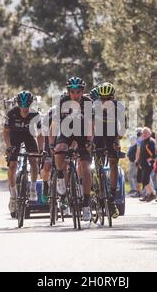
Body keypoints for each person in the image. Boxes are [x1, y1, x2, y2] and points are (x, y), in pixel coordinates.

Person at [54, 77, 93, 222]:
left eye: (78, 92)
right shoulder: (63, 102)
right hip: (66, 132)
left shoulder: (88, 102)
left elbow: (91, 124)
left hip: (83, 134)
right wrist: (53, 143)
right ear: (68, 92)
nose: (75, 95)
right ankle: (60, 179)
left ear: (82, 91)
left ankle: (86, 204)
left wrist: (89, 141)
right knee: (60, 149)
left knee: (85, 167)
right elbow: (56, 124)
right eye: (73, 92)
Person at [3, 91, 43, 217]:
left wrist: (41, 150)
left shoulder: (35, 114)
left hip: (29, 136)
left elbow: (40, 134)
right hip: (14, 137)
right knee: (13, 165)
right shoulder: (11, 113)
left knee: (34, 161)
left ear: (31, 104)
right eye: (22, 106)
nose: (24, 109)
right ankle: (13, 194)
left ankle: (32, 187)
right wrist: (9, 147)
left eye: (27, 106)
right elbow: (6, 132)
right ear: (18, 104)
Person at [92, 82, 126, 218]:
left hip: (112, 134)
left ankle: (111, 197)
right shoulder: (93, 106)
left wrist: (118, 140)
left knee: (113, 162)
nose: (105, 101)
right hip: (98, 134)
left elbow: (123, 125)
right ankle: (95, 187)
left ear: (113, 97)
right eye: (102, 98)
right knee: (91, 161)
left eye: (108, 98)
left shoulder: (119, 106)